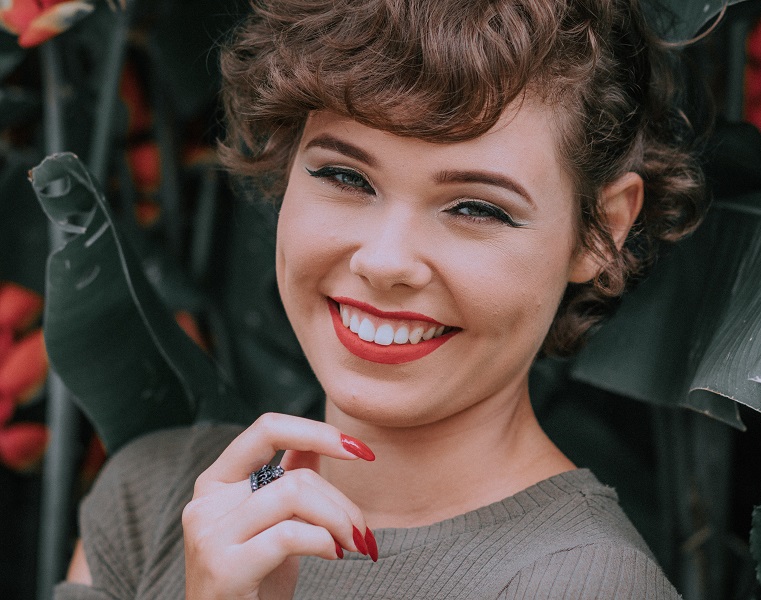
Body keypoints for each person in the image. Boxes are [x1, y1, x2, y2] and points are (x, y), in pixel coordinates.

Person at [55, 0, 707, 598]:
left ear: (603, 229)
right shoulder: (152, 500)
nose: (385, 261)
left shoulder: (583, 584)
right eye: (345, 175)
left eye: (476, 208)